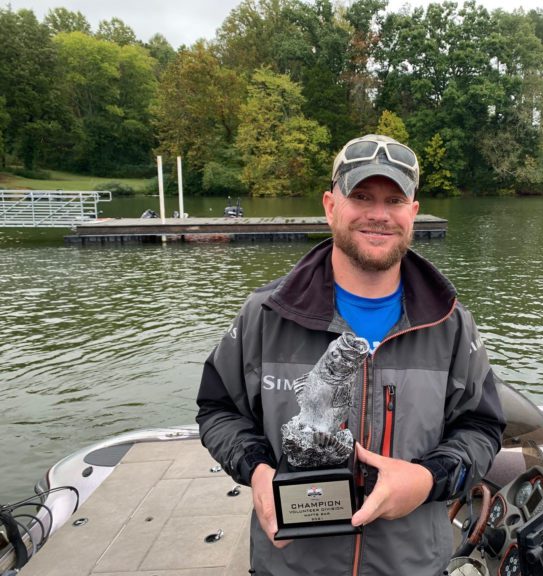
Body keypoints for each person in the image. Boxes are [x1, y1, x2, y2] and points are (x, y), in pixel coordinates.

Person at [196, 134, 506, 575]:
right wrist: (257, 469)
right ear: (330, 205)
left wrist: (427, 479)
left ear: (413, 213)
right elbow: (218, 409)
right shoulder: (263, 315)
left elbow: (482, 426)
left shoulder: (452, 325)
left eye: (394, 199)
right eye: (361, 196)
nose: (379, 215)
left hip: (413, 566)